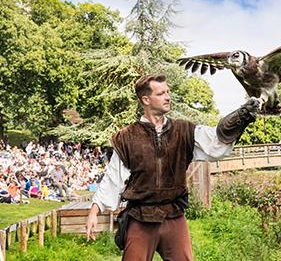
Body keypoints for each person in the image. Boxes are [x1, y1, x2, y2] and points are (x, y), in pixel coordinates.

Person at [85, 74, 260, 261]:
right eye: (161, 93)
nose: (168, 97)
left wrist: (240, 119)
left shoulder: (184, 131)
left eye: (168, 92)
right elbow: (113, 178)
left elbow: (216, 144)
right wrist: (94, 211)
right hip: (141, 216)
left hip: (174, 215)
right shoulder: (127, 137)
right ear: (145, 99)